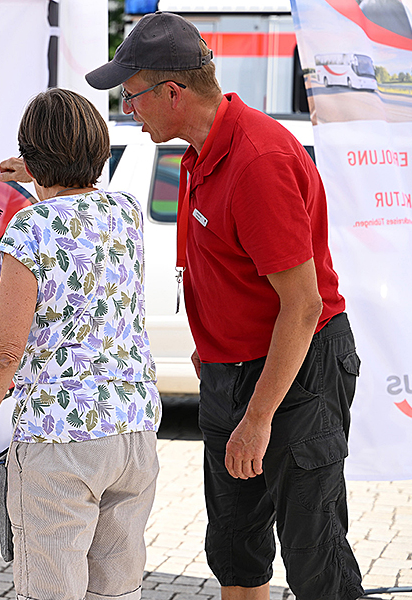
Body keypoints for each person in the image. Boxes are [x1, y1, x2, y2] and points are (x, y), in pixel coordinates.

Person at [82, 11, 365, 600]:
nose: (128, 112)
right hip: (230, 374)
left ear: (173, 93)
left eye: (132, 97)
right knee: (236, 553)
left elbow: (304, 305)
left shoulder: (258, 160)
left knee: (316, 560)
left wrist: (258, 418)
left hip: (296, 370)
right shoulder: (197, 152)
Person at [0, 88, 162, 600]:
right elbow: (78, 200)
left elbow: (3, 353)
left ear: (32, 156)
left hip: (58, 441)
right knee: (116, 591)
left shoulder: (29, 229)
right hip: (132, 432)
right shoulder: (125, 213)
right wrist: (42, 172)